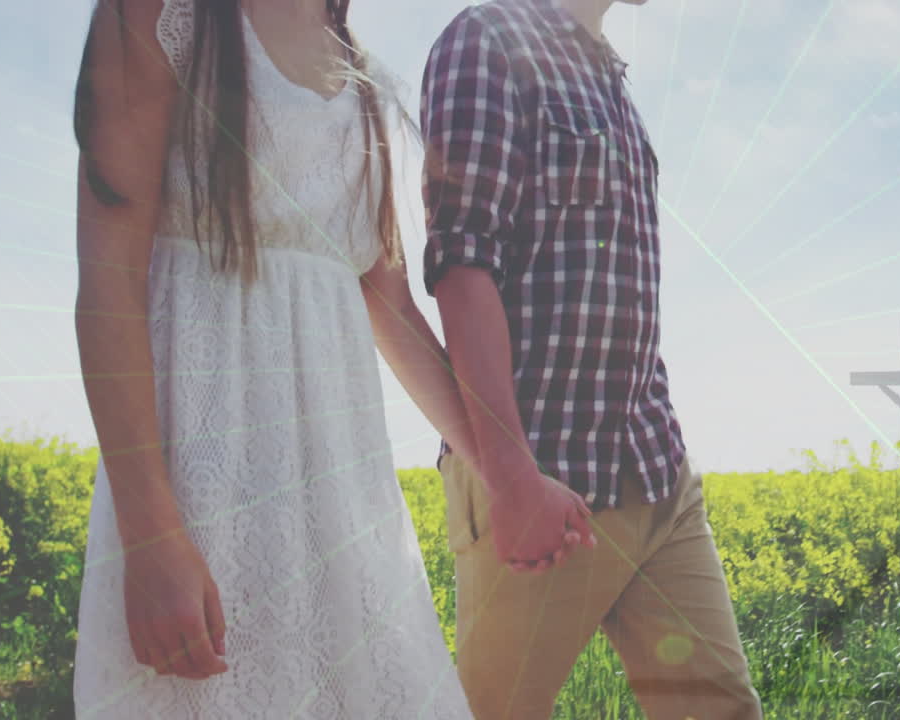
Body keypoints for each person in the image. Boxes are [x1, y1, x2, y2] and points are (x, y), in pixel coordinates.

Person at [68, 1, 589, 716]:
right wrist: (151, 536)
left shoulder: (360, 77)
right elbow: (108, 282)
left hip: (344, 509)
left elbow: (393, 308)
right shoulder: (169, 13)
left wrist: (509, 478)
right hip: (200, 496)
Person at [420, 0, 764, 717]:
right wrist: (512, 479)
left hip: (656, 472)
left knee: (723, 709)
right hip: (542, 476)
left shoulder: (611, 80)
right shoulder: (489, 39)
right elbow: (462, 262)